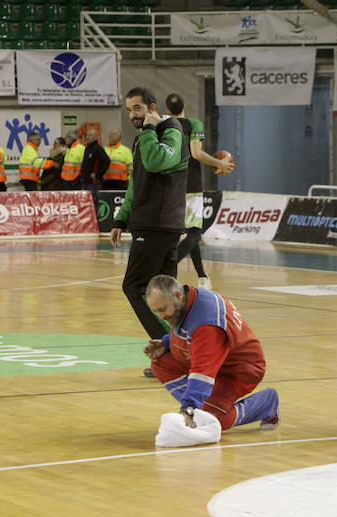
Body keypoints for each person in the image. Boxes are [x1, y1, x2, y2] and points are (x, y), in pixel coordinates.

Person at [110, 86, 190, 375]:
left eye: (138, 109)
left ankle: (171, 349)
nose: (133, 114)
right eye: (129, 109)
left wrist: (149, 130)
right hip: (153, 222)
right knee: (169, 295)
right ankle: (183, 354)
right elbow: (137, 183)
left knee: (134, 287)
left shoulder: (171, 129)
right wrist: (121, 218)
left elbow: (157, 162)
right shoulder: (142, 137)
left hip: (158, 223)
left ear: (152, 108)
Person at [143, 274, 279, 431]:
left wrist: (189, 407)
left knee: (211, 421)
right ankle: (203, 407)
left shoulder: (207, 324)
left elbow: (203, 371)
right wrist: (166, 343)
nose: (160, 316)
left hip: (239, 371)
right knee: (161, 361)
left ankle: (266, 403)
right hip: (218, 361)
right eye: (156, 311)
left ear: (178, 296)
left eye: (162, 309)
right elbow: (191, 334)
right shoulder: (187, 300)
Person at [165, 92, 234, 289]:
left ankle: (202, 276)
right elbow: (196, 153)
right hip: (191, 186)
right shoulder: (194, 124)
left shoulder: (163, 127)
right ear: (185, 105)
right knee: (195, 233)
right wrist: (218, 162)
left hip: (170, 187)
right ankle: (168, 267)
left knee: (184, 233)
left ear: (168, 110)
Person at [78, 128, 110, 199]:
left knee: (93, 203)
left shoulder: (98, 149)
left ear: (96, 137)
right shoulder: (87, 148)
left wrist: (97, 174)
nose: (87, 137)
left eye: (90, 135)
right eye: (87, 135)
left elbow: (106, 162)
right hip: (85, 182)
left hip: (93, 183)